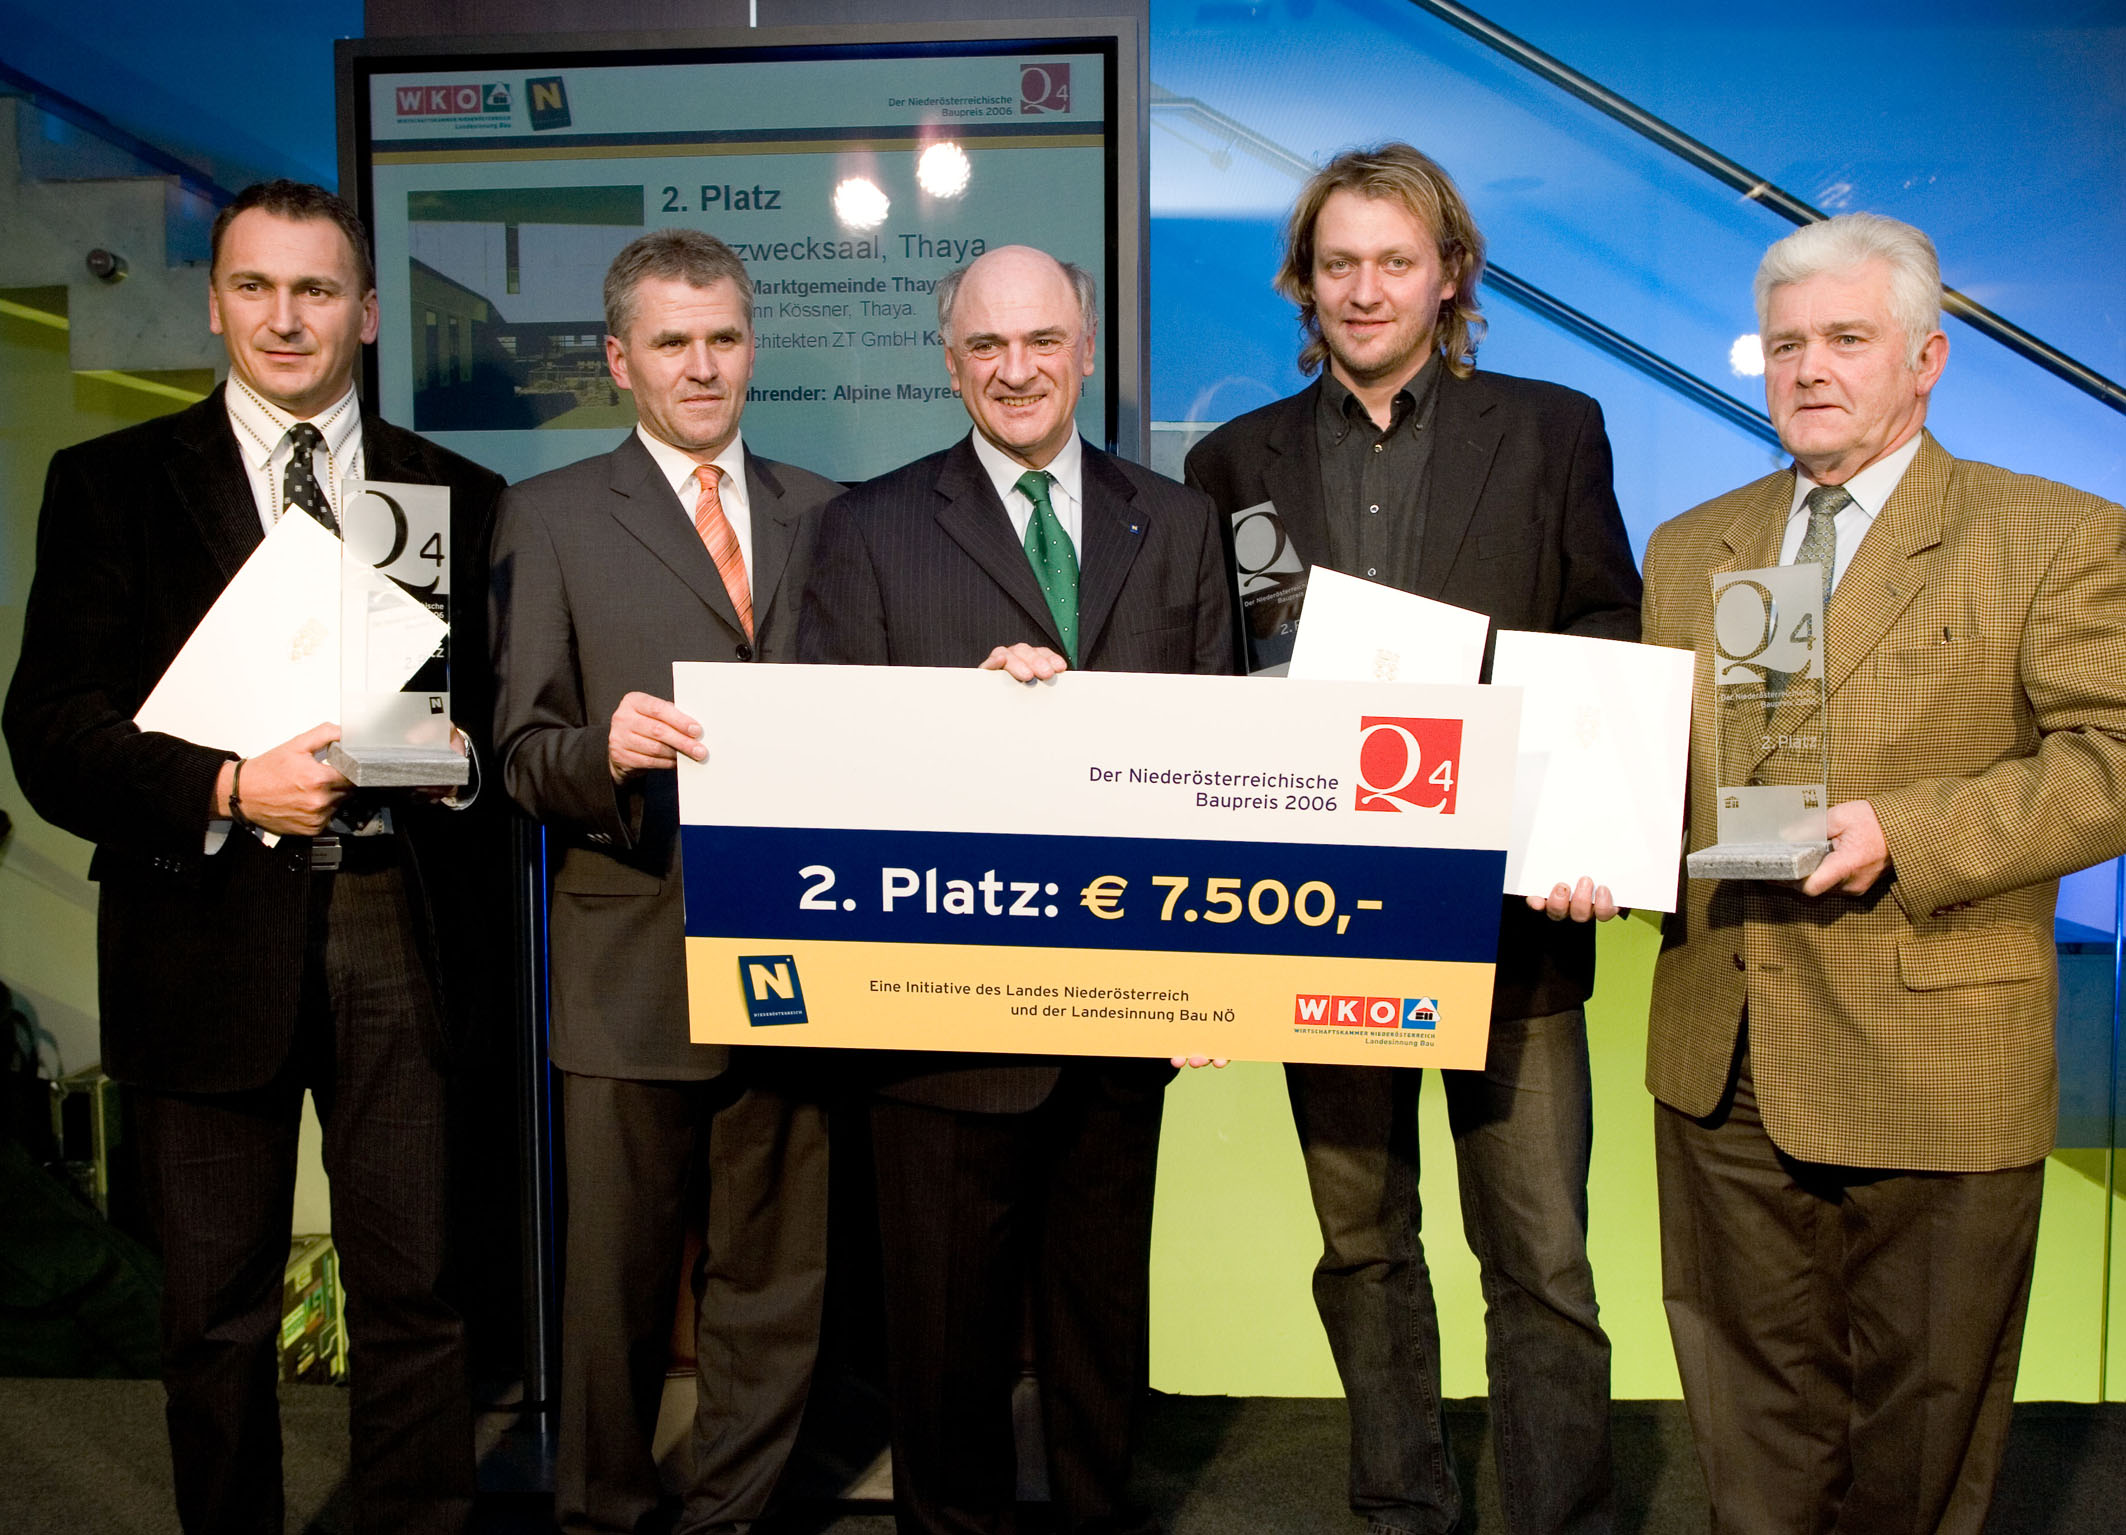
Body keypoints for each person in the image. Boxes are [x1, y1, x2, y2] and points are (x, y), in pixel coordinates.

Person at [3, 179, 504, 1534]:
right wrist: (226, 786)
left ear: (368, 311)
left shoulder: (457, 494)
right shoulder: (110, 486)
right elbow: (50, 733)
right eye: (254, 287)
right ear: (216, 303)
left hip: (402, 928)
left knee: (418, 1292)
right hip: (200, 925)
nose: (286, 318)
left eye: (316, 290)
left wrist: (464, 763)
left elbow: (504, 726)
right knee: (214, 1308)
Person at [1641, 211, 2126, 1532]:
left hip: (1932, 1052)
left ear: (1926, 357)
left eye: (1846, 339)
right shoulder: (1689, 545)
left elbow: (2112, 760)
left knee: (1918, 1438)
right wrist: (1591, 843)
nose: (1808, 368)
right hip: (1722, 1051)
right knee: (1747, 1425)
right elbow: (1662, 769)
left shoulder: (2053, 533)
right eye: (1784, 344)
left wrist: (1903, 831)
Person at [1184, 144, 1640, 1535]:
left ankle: (1553, 1520)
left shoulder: (1553, 430)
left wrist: (1589, 820)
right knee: (1364, 1249)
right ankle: (1400, 1511)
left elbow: (1604, 628)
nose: (1365, 289)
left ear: (1451, 276)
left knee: (1541, 1261)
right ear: (1302, 284)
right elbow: (1209, 689)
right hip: (1324, 925)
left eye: (1395, 260)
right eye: (1338, 264)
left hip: (1511, 923)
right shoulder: (1230, 461)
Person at [799, 244, 1231, 1535]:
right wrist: (963, 726)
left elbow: (1218, 764)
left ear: (1085, 350)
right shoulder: (867, 529)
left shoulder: (1179, 522)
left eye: (1042, 340)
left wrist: (1212, 982)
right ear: (949, 364)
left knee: (1102, 1337)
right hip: (940, 1029)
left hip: (1119, 1016)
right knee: (945, 1356)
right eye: (986, 346)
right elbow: (834, 766)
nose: (1016, 369)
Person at [488, 227, 840, 1535]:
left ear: (752, 347)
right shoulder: (550, 516)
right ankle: (602, 1520)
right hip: (630, 962)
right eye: (672, 342)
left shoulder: (829, 510)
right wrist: (604, 751)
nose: (702, 366)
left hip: (800, 957)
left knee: (775, 1287)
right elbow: (520, 754)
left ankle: (730, 1519)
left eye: (723, 338)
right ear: (618, 360)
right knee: (615, 1300)